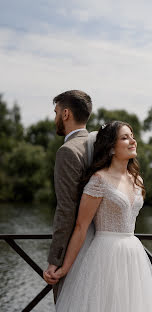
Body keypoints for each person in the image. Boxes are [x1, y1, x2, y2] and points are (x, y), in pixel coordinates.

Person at [52, 120, 152, 312]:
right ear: (111, 147)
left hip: (133, 255)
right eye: (125, 138)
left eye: (132, 136)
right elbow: (81, 227)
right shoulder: (99, 180)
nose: (132, 141)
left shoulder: (137, 179)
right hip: (105, 256)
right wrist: (64, 268)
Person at [43, 90, 96, 302]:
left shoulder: (68, 151)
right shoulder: (99, 146)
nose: (55, 118)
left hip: (75, 253)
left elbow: (66, 210)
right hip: (102, 245)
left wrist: (55, 261)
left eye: (56, 112)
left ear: (66, 114)